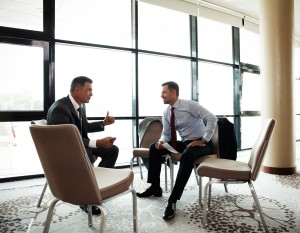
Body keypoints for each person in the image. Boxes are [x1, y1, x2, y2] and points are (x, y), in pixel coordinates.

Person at [136, 81, 218, 221]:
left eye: (164, 92)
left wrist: (204, 140)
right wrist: (162, 141)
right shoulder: (167, 112)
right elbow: (167, 133)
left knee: (187, 155)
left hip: (202, 144)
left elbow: (212, 118)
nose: (161, 95)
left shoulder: (189, 105)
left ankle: (172, 200)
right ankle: (155, 187)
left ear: (173, 92)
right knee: (153, 147)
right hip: (185, 143)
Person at [47, 76, 119, 215]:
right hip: (68, 152)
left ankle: (96, 184)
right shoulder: (60, 109)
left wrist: (103, 123)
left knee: (112, 150)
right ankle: (86, 200)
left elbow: (83, 128)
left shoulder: (80, 106)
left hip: (79, 146)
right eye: (89, 90)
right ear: (77, 90)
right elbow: (67, 140)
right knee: (92, 154)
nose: (91, 94)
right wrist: (97, 143)